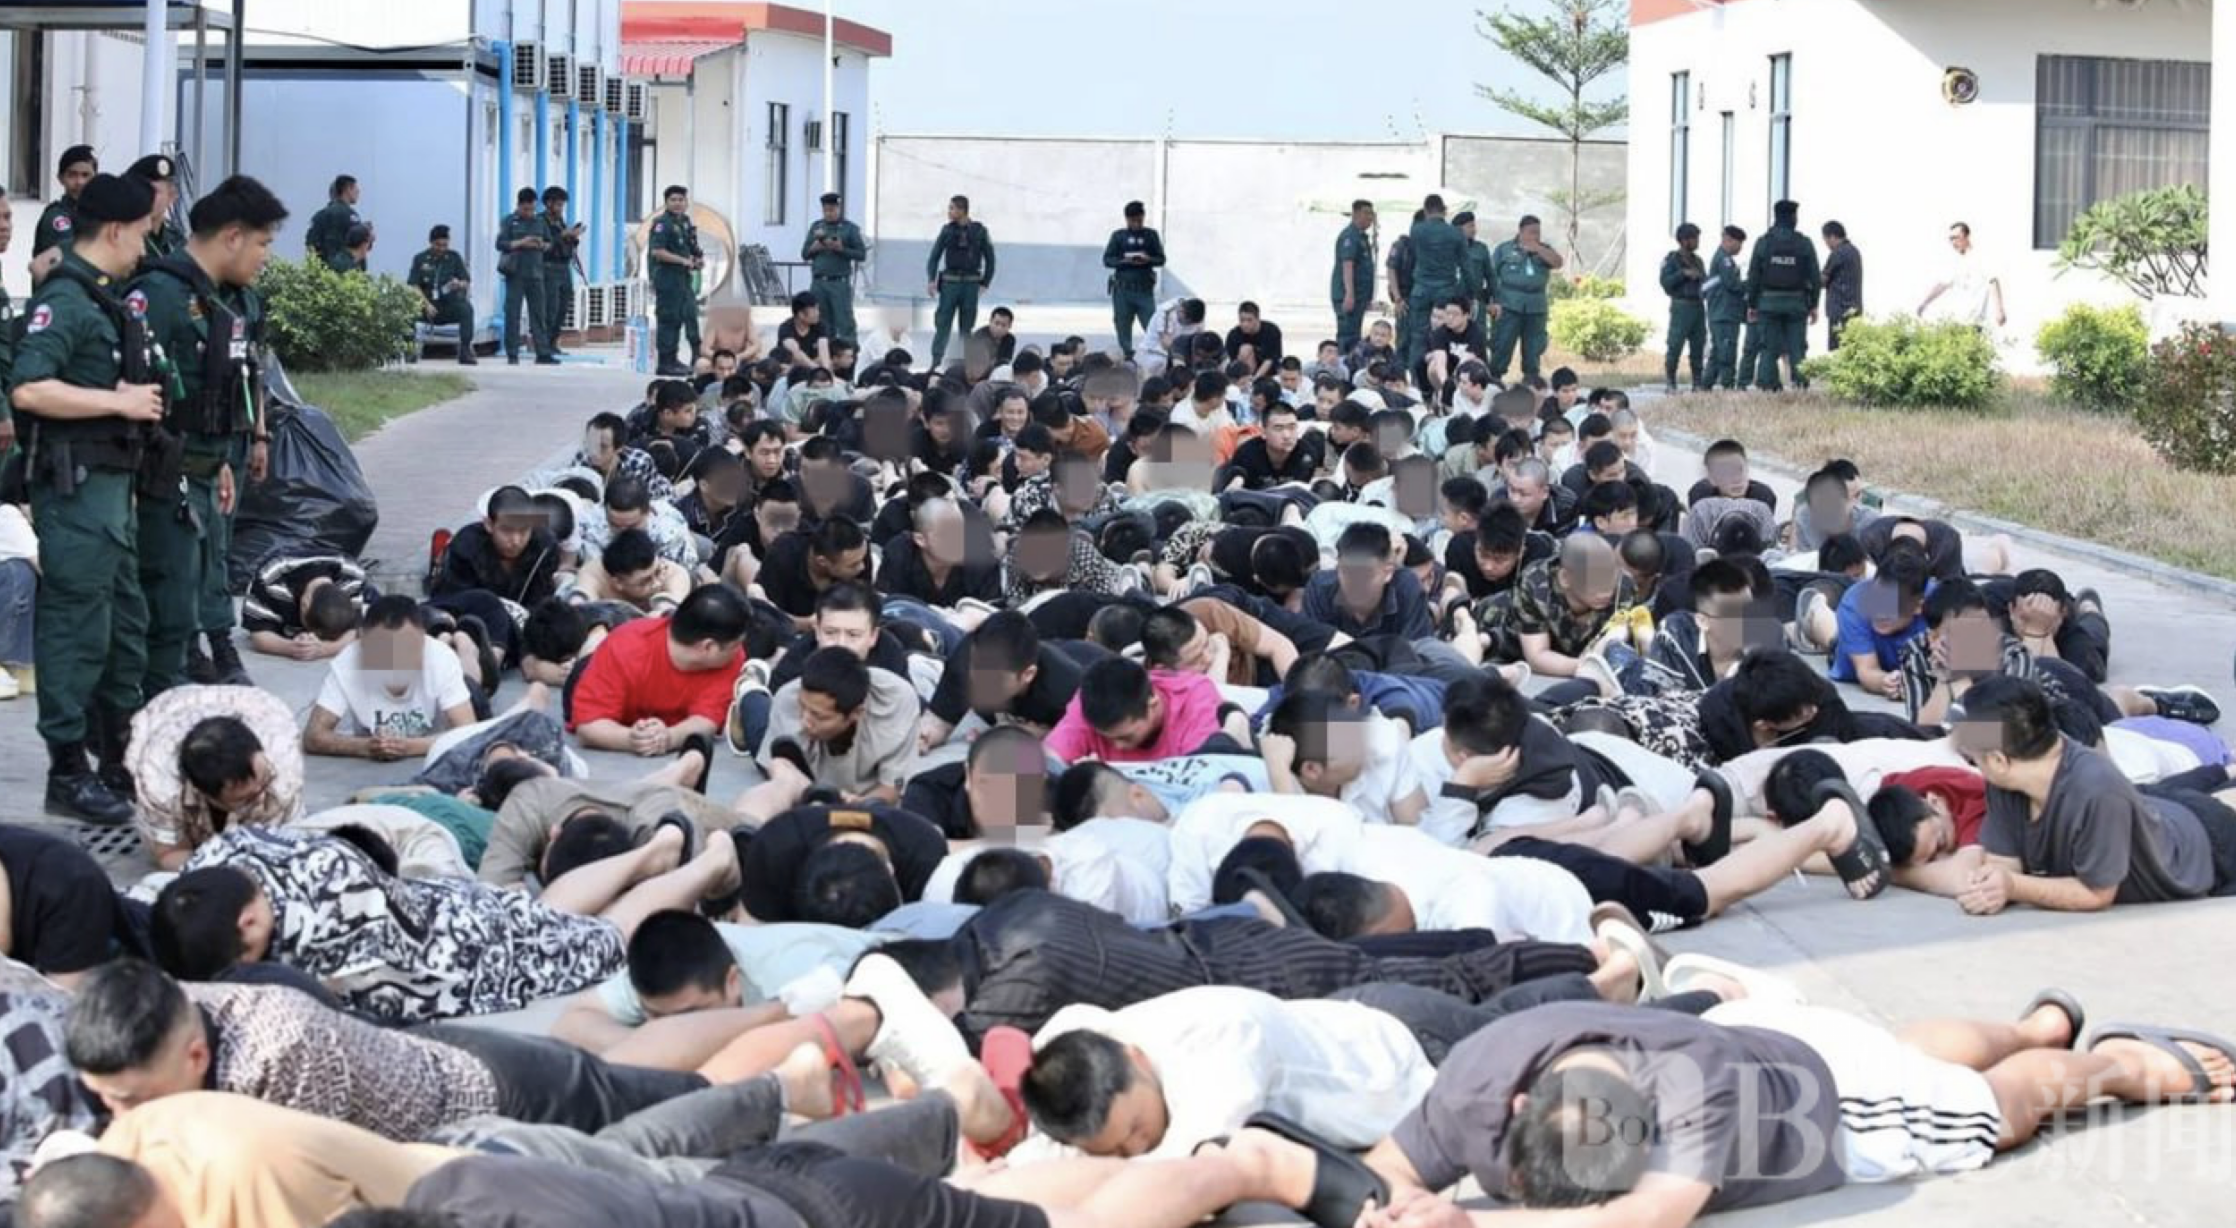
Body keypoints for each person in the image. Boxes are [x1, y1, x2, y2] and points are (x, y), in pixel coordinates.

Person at [1357, 995, 2236, 1228]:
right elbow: (1385, 1170)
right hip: (1763, 1030)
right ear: (1518, 1104)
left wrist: (1469, 1224)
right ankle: (2031, 1024)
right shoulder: (1473, 1080)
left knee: (1987, 1115)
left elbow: (1649, 1214)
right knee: (1904, 1054)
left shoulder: (1688, 1084)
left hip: (1824, 1101)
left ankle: (2119, 1066)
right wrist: (1389, 1207)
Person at [63, 960, 714, 1141]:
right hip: (410, 1060)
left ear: (196, 1058)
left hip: (496, 1089)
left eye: (132, 1100)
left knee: (683, 1108)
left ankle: (774, 1070)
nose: (119, 1117)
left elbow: (308, 1181)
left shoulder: (275, 1055)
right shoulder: (146, 1011)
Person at [12, 171, 166, 826]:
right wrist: (117, 402)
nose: (145, 247)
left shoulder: (105, 297)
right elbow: (29, 387)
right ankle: (67, 771)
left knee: (123, 628)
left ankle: (115, 758)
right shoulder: (67, 301)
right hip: (75, 496)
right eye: (141, 233)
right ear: (115, 230)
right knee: (75, 630)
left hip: (109, 496)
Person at [128, 174, 286, 697]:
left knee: (200, 576)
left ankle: (202, 659)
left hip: (208, 465)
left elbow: (241, 378)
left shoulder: (231, 299)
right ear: (233, 236)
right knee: (165, 604)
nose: (265, 257)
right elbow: (132, 389)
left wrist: (234, 450)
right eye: (262, 243)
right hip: (161, 477)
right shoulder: (159, 295)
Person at [1022, 985, 1435, 1160]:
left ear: (1137, 1059)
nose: (1136, 1147)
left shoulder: (1218, 1046)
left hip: (1399, 1058)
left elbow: (1188, 1167)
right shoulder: (1087, 1042)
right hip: (1322, 1025)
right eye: (1114, 1150)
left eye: (1134, 1127)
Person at [1951, 674, 2236, 912]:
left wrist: (2013, 886)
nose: (1972, 761)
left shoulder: (2095, 787)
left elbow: (2096, 893)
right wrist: (1990, 885)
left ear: (1999, 760)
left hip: (2208, 844)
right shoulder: (2005, 779)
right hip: (2149, 809)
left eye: (1974, 755)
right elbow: (2003, 862)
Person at [125, 684, 305, 866]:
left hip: (253, 705)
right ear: (203, 793)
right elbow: (170, 854)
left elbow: (289, 850)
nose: (261, 796)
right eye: (246, 798)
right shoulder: (159, 783)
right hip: (165, 715)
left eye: (265, 780)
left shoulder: (283, 758)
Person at [570, 583, 748, 755]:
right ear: (709, 647)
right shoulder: (625, 647)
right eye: (736, 644)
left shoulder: (729, 659)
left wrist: (670, 738)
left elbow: (707, 720)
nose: (740, 650)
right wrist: (630, 739)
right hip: (595, 673)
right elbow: (588, 726)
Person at [303, 595, 477, 761]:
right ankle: (451, 639)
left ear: (423, 639)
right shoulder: (348, 662)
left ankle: (466, 645)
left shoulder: (440, 657)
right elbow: (314, 736)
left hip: (456, 691)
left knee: (474, 689)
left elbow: (468, 734)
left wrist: (408, 747)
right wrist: (365, 747)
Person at [760, 645, 921, 805]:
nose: (804, 721)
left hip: (860, 787)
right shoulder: (787, 698)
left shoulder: (895, 703)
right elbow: (780, 773)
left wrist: (858, 805)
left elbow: (893, 787)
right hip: (800, 764)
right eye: (802, 707)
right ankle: (753, 694)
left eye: (818, 716)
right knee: (756, 724)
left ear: (856, 712)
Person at [1043, 655, 1230, 764]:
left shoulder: (1195, 699)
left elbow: (1203, 774)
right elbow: (1049, 761)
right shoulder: (1091, 699)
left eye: (1125, 737)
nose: (1117, 747)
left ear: (1153, 703)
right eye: (1106, 738)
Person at [1747, 198, 1822, 392]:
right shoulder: (1804, 243)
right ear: (1793, 217)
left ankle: (1768, 384)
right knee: (1797, 347)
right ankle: (1800, 384)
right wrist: (1814, 304)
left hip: (1768, 303)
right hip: (1796, 303)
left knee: (1768, 347)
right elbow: (1815, 277)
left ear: (1776, 217)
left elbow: (1753, 276)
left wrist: (1752, 304)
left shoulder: (1763, 243)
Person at [1487, 214, 1563, 383]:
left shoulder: (1544, 250)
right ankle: (1495, 381)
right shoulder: (1504, 249)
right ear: (1521, 232)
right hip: (1509, 305)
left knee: (1533, 349)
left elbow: (1558, 262)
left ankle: (1530, 383)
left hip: (1535, 307)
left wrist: (1538, 249)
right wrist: (1492, 302)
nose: (1535, 236)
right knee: (1502, 345)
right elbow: (1491, 275)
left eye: (1538, 232)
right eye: (1531, 232)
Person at [926, 193, 994, 367]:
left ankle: (965, 363)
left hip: (970, 284)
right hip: (950, 283)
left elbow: (990, 258)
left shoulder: (979, 231)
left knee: (967, 327)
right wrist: (931, 279)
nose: (949, 212)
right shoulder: (947, 230)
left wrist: (986, 282)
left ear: (962, 210)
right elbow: (934, 256)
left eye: (952, 208)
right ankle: (936, 361)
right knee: (943, 325)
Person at [647, 184, 705, 376]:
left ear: (686, 202)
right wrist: (683, 261)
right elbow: (658, 251)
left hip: (683, 278)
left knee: (689, 315)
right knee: (668, 319)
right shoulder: (662, 224)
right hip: (667, 278)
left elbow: (691, 246)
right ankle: (666, 362)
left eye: (681, 200)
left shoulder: (684, 222)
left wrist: (697, 260)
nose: (677, 203)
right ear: (666, 202)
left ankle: (692, 356)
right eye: (673, 200)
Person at [1401, 196, 1465, 370]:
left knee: (1418, 337)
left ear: (1426, 210)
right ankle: (1443, 375)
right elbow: (1466, 266)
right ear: (1444, 210)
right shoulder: (1455, 233)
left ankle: (1416, 378)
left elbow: (1411, 258)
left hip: (1421, 290)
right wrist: (1471, 293)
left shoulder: (1417, 230)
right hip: (1446, 290)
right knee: (1446, 335)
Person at [495, 187, 556, 365]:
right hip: (516, 274)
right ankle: (512, 353)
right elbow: (500, 244)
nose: (529, 213)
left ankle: (542, 352)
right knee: (512, 314)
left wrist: (541, 245)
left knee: (538, 315)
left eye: (532, 209)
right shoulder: (509, 221)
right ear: (519, 205)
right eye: (526, 209)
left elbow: (549, 244)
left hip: (536, 273)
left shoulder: (539, 221)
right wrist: (522, 242)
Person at [1103, 200, 1167, 359]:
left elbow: (1161, 259)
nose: (1136, 224)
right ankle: (1126, 355)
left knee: (1151, 324)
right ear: (1127, 219)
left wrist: (1148, 259)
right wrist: (1124, 261)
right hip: (1123, 290)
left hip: (1144, 290)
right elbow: (1107, 260)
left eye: (1139, 220)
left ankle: (1158, 354)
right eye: (1133, 221)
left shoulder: (1151, 235)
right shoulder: (1118, 236)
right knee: (1122, 324)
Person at [801, 192, 867, 344]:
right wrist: (814, 248)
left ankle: (849, 352)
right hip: (819, 282)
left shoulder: (850, 229)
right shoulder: (816, 227)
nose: (829, 213)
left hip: (839, 282)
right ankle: (823, 351)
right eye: (825, 210)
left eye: (832, 210)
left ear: (838, 208)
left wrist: (842, 249)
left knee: (844, 321)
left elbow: (861, 254)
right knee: (819, 322)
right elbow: (804, 254)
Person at [407, 224, 478, 364]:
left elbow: (466, 281)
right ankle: (409, 350)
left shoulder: (454, 257)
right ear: (431, 242)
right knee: (407, 311)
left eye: (445, 245)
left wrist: (458, 284)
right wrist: (426, 304)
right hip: (427, 306)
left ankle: (465, 351)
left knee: (467, 309)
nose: (441, 249)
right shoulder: (420, 259)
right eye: (438, 245)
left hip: (448, 305)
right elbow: (413, 285)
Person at [1918, 219, 2006, 330]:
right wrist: (1924, 303)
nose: (1953, 242)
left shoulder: (1980, 258)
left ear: (1966, 236)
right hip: (1954, 321)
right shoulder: (1955, 263)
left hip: (1973, 322)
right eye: (1951, 239)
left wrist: (1999, 310)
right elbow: (1941, 285)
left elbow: (1993, 281)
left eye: (1956, 238)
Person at [1660, 223, 1707, 392]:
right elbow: (1665, 283)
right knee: (1675, 344)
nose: (1697, 242)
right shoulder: (1672, 260)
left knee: (1698, 344)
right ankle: (1670, 380)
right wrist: (1683, 274)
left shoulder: (1698, 261)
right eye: (1694, 239)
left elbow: (1704, 281)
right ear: (1684, 240)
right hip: (1681, 306)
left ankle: (1697, 382)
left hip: (1698, 306)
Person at [32, 144, 97, 261]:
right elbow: (69, 259)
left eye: (85, 175)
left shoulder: (97, 214)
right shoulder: (57, 216)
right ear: (61, 178)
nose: (79, 182)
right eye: (72, 175)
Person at [1701, 224, 1747, 389]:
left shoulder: (1724, 259)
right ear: (1729, 240)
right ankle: (1727, 385)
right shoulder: (1724, 260)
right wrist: (1750, 283)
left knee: (1718, 352)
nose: (1740, 247)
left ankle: (1705, 386)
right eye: (1739, 243)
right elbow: (1733, 285)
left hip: (1723, 313)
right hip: (1724, 313)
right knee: (1727, 351)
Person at [541, 186, 585, 357]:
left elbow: (565, 243)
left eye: (562, 205)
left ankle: (553, 342)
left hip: (564, 268)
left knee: (563, 307)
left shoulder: (560, 222)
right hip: (549, 267)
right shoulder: (541, 222)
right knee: (550, 308)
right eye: (558, 205)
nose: (561, 209)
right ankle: (544, 344)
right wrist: (563, 236)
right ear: (548, 204)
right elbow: (545, 245)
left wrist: (573, 237)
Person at [1332, 198, 1376, 353]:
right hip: (1349, 295)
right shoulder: (1350, 236)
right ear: (1356, 214)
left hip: (1360, 295)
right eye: (1366, 213)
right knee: (1347, 335)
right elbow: (1347, 265)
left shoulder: (1362, 237)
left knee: (1355, 334)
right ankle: (1344, 362)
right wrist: (1349, 294)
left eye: (1371, 214)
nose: (1370, 218)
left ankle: (1352, 361)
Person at [125, 153, 187, 261]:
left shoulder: (177, 241)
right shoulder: (126, 238)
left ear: (171, 196)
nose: (147, 196)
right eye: (142, 190)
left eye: (154, 191)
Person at [1821, 219, 1863, 349]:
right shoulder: (1854, 251)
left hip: (1839, 310)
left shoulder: (1838, 253)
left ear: (1832, 237)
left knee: (1837, 349)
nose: (1827, 245)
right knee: (1852, 349)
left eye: (1826, 240)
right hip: (1855, 308)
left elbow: (1823, 279)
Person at [303, 173, 360, 263]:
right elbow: (358, 245)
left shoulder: (319, 215)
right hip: (345, 268)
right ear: (348, 189)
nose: (358, 192)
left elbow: (311, 245)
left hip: (322, 268)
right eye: (356, 189)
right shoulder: (351, 216)